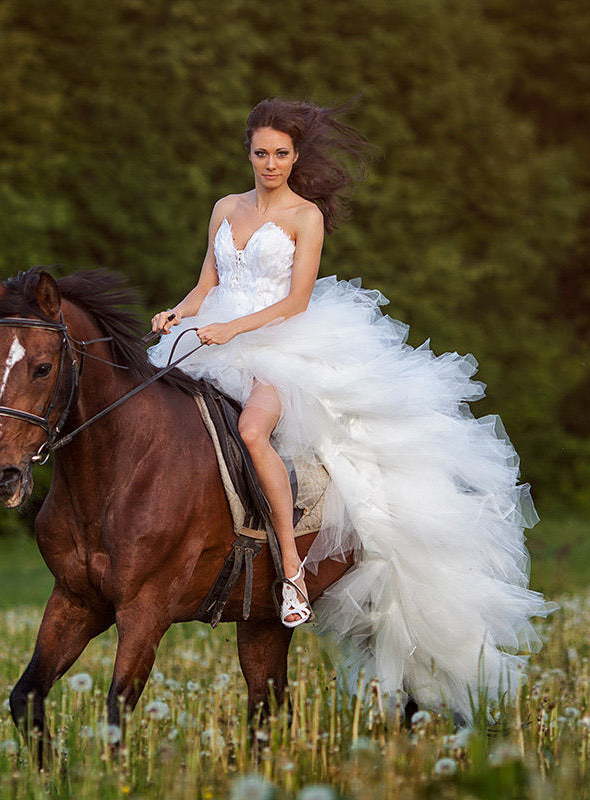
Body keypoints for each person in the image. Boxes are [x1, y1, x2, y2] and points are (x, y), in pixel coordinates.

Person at [149, 98, 553, 721]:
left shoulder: (304, 216)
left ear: (295, 157)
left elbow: (296, 302)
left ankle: (289, 569)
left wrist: (232, 332)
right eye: (261, 152)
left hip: (283, 346)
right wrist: (180, 312)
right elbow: (208, 281)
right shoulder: (225, 209)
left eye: (282, 153)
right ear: (248, 153)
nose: (271, 163)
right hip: (214, 335)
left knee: (255, 429)